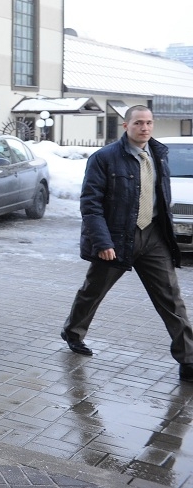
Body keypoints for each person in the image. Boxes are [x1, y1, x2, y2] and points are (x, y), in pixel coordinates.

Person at [60, 105, 193, 379]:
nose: (145, 128)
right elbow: (91, 204)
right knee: (93, 290)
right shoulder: (104, 158)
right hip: (117, 238)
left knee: (171, 299)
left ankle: (189, 360)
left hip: (153, 236)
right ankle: (73, 331)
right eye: (138, 123)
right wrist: (102, 242)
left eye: (149, 123)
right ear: (126, 126)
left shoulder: (159, 154)